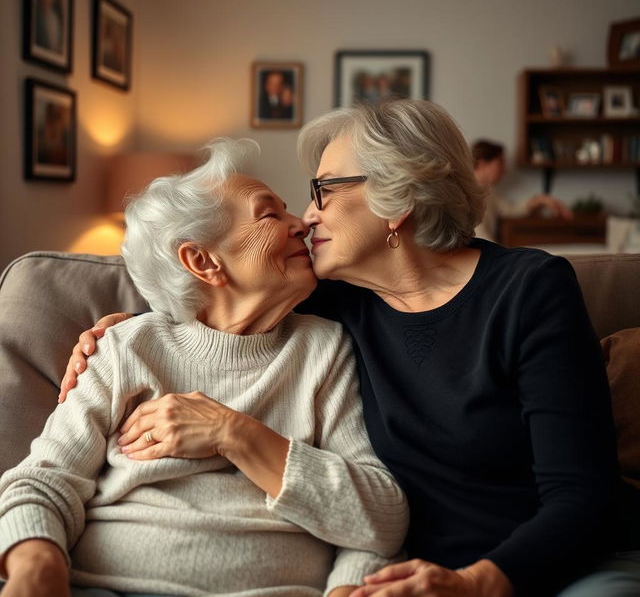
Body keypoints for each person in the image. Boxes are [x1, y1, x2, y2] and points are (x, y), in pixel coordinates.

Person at [62, 101, 635, 597]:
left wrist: (479, 583)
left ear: (397, 196)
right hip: (411, 574)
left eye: (324, 189)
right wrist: (115, 333)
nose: (307, 216)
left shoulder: (528, 289)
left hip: (548, 567)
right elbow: (220, 310)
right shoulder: (339, 301)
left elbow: (583, 498)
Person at [0, 139, 408, 596]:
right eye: (270, 214)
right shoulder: (126, 348)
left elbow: (378, 517)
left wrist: (233, 432)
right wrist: (37, 567)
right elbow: (43, 481)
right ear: (202, 260)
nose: (303, 223)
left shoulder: (325, 349)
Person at [471, 139, 573, 242]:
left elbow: (510, 209)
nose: (504, 169)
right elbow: (480, 237)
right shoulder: (471, 192)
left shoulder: (489, 193)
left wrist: (542, 200)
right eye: (501, 163)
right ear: (482, 164)